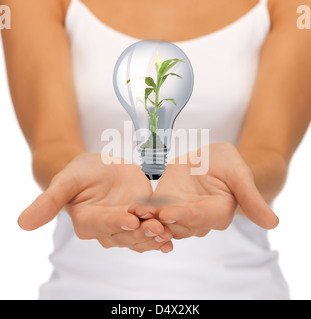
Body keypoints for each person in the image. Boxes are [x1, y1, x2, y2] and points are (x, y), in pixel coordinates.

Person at [1, 0, 311, 300]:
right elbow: (51, 144)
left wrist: (235, 182)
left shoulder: (297, 6)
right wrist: (74, 179)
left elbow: (270, 152)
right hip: (81, 289)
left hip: (243, 289)